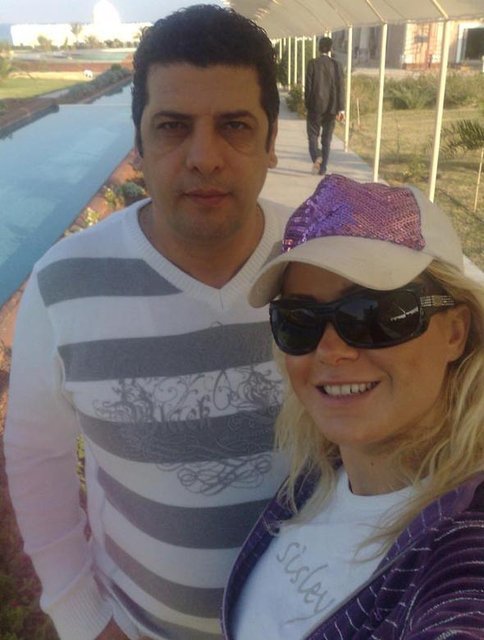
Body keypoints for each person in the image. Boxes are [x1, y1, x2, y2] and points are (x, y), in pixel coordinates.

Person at [4, 6, 291, 640]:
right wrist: (81, 616)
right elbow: (36, 456)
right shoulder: (63, 285)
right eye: (172, 126)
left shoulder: (321, 266)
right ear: (138, 143)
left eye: (235, 126)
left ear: (271, 141)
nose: (204, 157)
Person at [222, 174, 484, 639]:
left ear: (455, 331)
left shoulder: (463, 544)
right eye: (299, 320)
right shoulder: (318, 473)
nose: (330, 351)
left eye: (372, 314)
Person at [305, 37, 345, 176]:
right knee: (326, 140)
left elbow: (308, 87)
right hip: (331, 108)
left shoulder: (312, 64)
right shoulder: (337, 65)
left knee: (312, 136)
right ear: (331, 48)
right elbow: (341, 88)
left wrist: (307, 104)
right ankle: (322, 169)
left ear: (319, 48)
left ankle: (317, 156)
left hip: (315, 107)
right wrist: (341, 108)